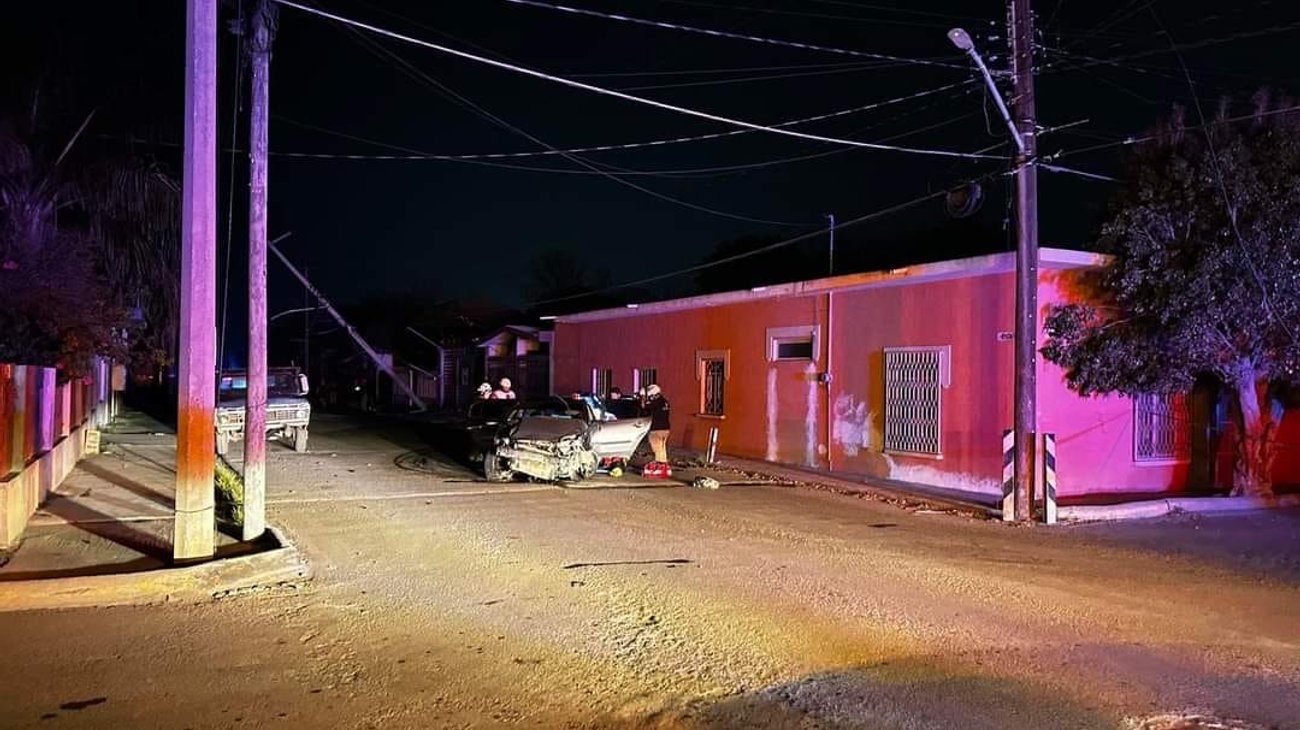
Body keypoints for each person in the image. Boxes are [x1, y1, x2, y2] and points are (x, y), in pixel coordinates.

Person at [642, 384, 670, 465]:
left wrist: (643, 398)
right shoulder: (665, 402)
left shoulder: (655, 403)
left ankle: (660, 464)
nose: (650, 397)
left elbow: (644, 407)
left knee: (657, 447)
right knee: (662, 447)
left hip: (656, 428)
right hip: (666, 427)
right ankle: (663, 462)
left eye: (651, 395)